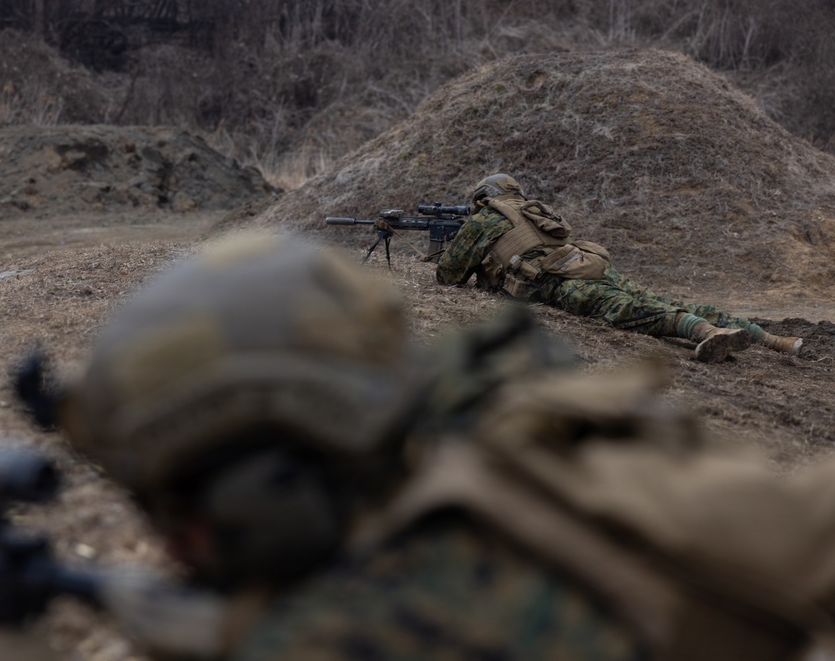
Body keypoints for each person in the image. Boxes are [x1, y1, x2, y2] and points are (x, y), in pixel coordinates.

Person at [50, 233, 835, 661]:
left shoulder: (366, 623)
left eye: (188, 504)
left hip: (548, 283)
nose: (177, 542)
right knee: (647, 303)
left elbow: (456, 271)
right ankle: (742, 331)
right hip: (588, 267)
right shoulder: (520, 440)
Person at [435, 173, 805, 363]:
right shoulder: (531, 208)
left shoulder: (486, 219)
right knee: (657, 297)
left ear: (483, 197)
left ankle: (708, 333)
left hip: (558, 281)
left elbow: (448, 275)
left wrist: (453, 245)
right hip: (586, 264)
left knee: (632, 311)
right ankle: (773, 340)